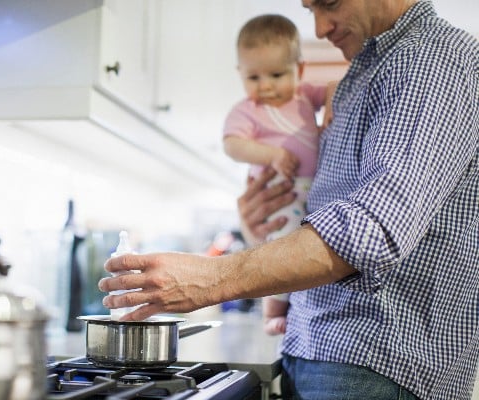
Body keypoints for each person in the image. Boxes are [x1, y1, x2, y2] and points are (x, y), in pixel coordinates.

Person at [99, 0, 478, 399]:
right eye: (310, 7)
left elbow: (370, 231)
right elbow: (327, 213)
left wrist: (212, 278)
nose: (318, 28)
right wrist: (256, 228)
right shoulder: (364, 72)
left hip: (375, 363)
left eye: (329, 3)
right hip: (319, 349)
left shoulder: (434, 61)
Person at [222, 14, 335, 336]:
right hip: (280, 188)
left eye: (276, 74)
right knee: (283, 250)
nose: (266, 85)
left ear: (298, 71)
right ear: (241, 75)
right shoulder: (248, 110)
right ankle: (273, 308)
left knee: (311, 253)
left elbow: (334, 88)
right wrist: (271, 155)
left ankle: (286, 305)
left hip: (314, 191)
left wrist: (331, 102)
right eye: (254, 77)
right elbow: (233, 145)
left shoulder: (302, 96)